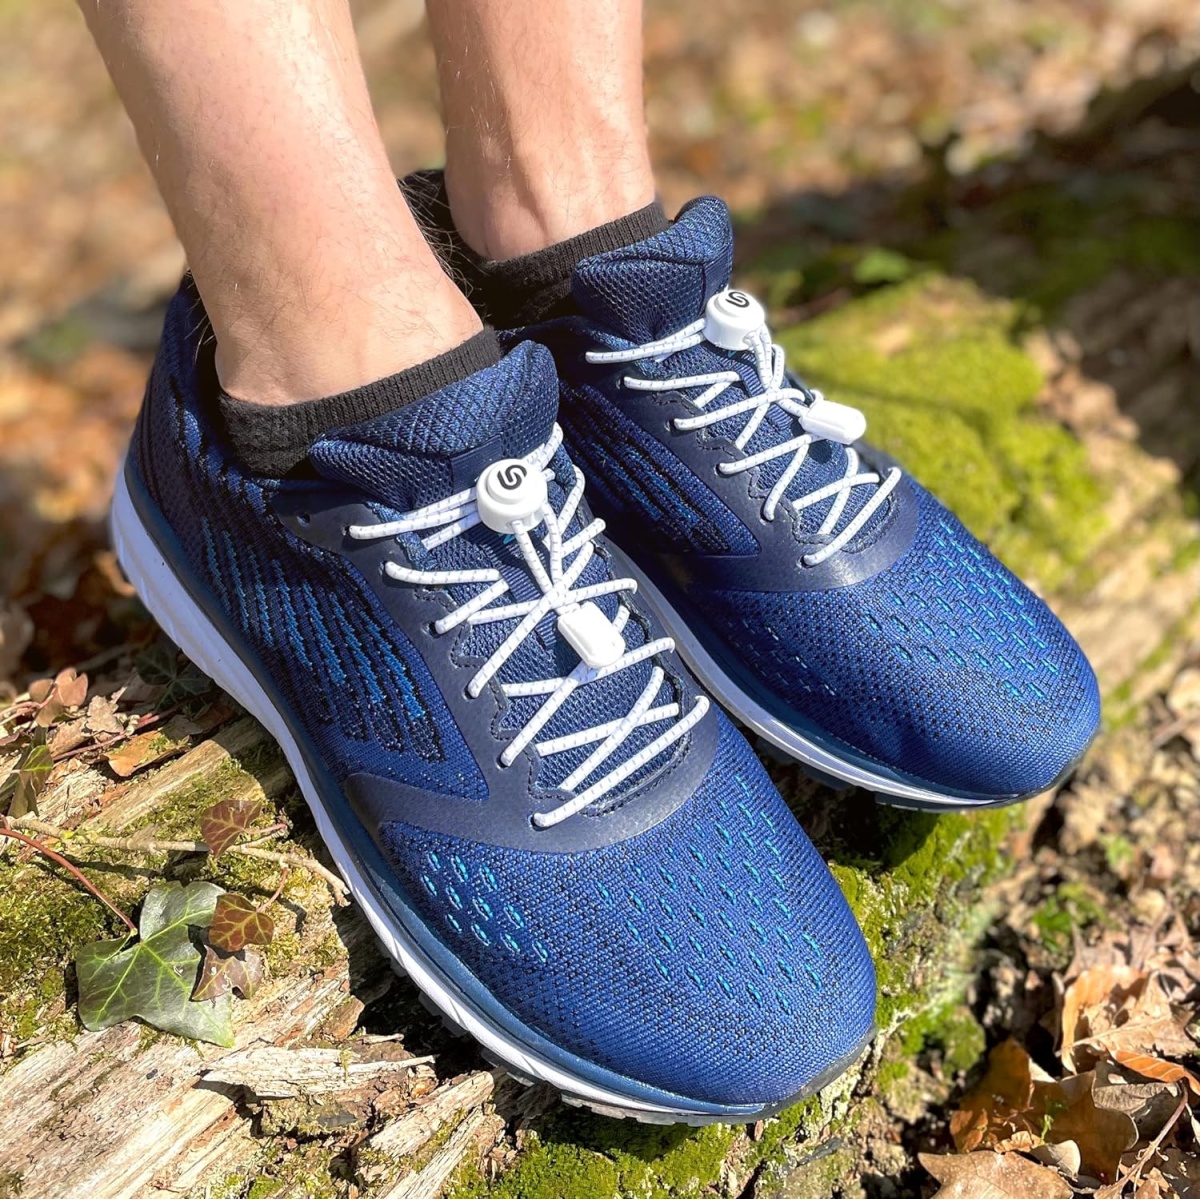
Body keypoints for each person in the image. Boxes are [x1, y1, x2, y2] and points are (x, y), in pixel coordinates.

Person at [85, 0, 1099, 1122]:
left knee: (565, 198)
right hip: (297, 485)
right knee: (338, 322)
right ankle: (320, 383)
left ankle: (564, 255)